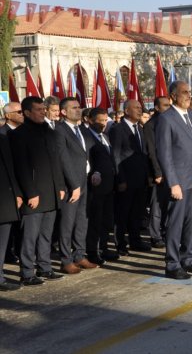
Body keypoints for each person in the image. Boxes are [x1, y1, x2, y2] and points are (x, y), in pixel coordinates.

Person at [9, 97, 66, 285]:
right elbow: (21, 167)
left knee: (46, 234)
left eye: (44, 109)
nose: (43, 112)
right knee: (30, 235)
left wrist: (60, 187)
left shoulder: (49, 132)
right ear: (26, 113)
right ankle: (27, 272)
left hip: (51, 192)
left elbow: (55, 162)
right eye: (39, 109)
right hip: (34, 194)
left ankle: (45, 267)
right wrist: (30, 193)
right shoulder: (19, 135)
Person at [156, 80, 192, 279]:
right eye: (184, 92)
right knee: (175, 224)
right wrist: (173, 182)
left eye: (189, 92)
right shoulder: (166, 119)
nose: (188, 95)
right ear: (173, 96)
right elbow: (165, 153)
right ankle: (172, 264)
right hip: (178, 181)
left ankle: (189, 259)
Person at [55, 97, 98, 274]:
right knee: (67, 222)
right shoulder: (59, 130)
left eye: (79, 107)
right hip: (70, 184)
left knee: (82, 220)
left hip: (85, 180)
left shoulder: (81, 129)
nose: (78, 110)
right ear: (63, 112)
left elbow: (88, 154)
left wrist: (95, 171)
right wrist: (74, 185)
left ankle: (79, 255)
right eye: (73, 108)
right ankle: (66, 260)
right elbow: (63, 159)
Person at [109, 99, 151, 255]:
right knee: (122, 213)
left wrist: (147, 176)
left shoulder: (139, 128)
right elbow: (116, 155)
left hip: (140, 179)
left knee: (137, 212)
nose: (140, 110)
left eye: (141, 108)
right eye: (136, 108)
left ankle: (136, 240)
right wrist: (121, 179)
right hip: (126, 179)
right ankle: (121, 244)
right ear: (126, 111)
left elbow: (143, 154)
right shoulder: (118, 129)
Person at [85, 107, 119, 266]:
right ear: (90, 120)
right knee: (95, 220)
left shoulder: (104, 136)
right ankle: (93, 251)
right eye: (99, 121)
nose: (103, 124)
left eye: (105, 120)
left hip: (108, 186)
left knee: (107, 219)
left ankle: (104, 248)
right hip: (95, 187)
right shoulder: (86, 138)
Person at [143, 96, 170, 249]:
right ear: (157, 108)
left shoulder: (168, 121)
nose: (168, 108)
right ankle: (155, 235)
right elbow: (152, 152)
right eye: (165, 105)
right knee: (157, 206)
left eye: (169, 105)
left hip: (170, 171)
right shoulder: (151, 125)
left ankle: (166, 232)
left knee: (168, 205)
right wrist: (158, 173)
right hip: (157, 173)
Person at [0, 132, 22, 291]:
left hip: (4, 198)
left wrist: (17, 193)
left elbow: (11, 167)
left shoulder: (2, 138)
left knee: (2, 241)